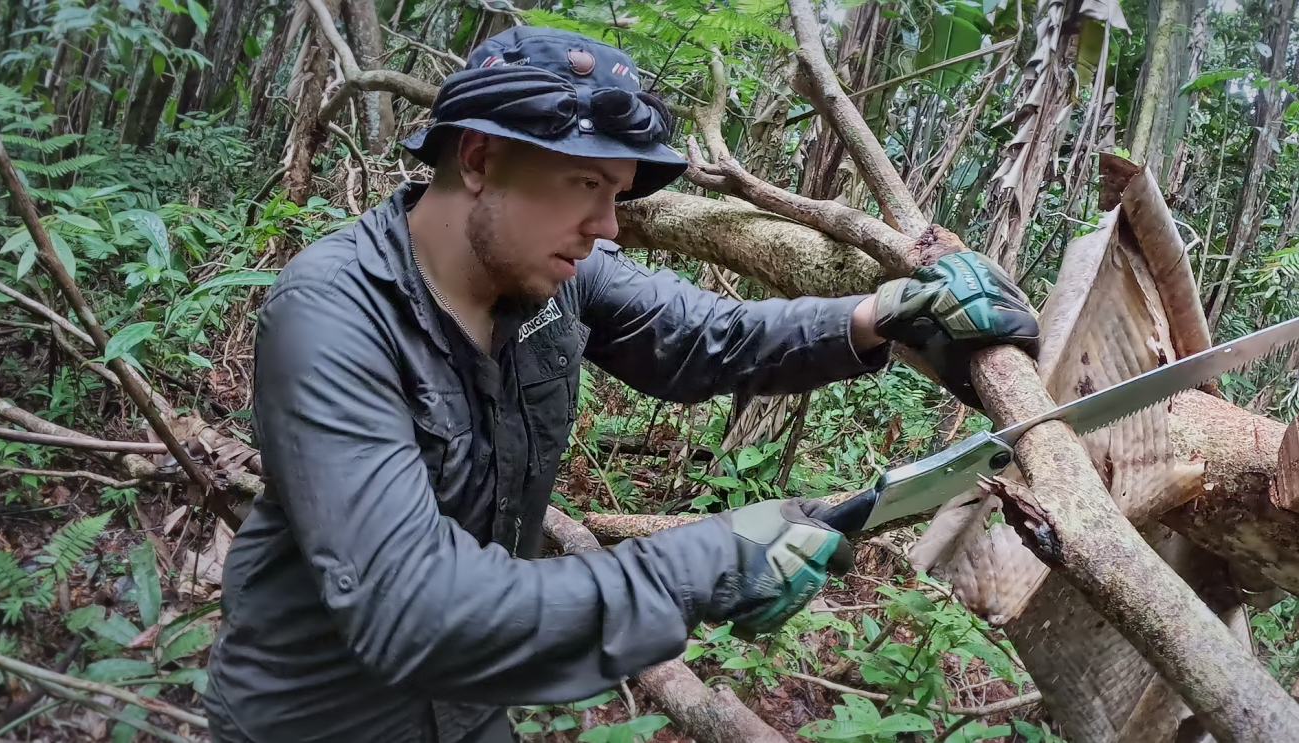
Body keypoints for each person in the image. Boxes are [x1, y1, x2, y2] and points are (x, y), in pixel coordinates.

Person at [201, 25, 1040, 743]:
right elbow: (410, 604)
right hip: (317, 713)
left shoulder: (556, 276)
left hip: (469, 707)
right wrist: (706, 563)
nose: (607, 224)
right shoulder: (334, 313)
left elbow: (703, 335)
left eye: (618, 194)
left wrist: (880, 315)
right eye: (586, 184)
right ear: (481, 157)